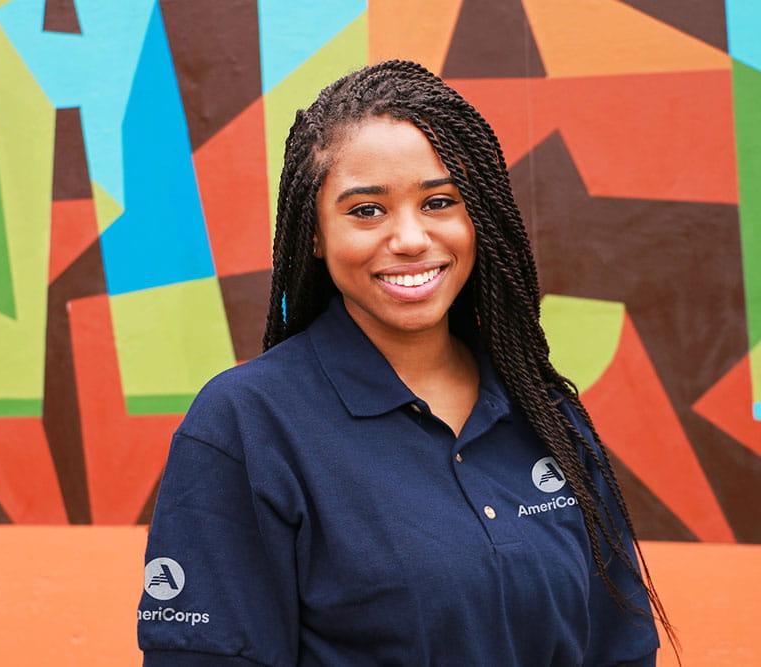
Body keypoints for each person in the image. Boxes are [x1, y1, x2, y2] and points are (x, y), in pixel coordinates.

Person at [137, 60, 670, 665]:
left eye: (440, 201)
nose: (411, 238)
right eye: (367, 210)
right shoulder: (247, 422)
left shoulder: (546, 413)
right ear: (314, 233)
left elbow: (620, 650)